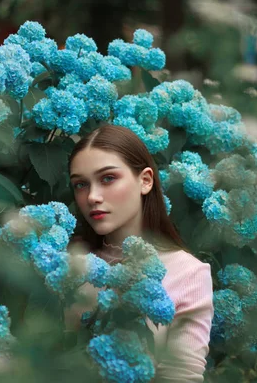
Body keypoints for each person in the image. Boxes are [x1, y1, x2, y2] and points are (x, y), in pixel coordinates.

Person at [66, 124, 214, 382]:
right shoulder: (68, 261)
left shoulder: (188, 273)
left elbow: (182, 376)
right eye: (80, 184)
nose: (92, 196)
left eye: (108, 178)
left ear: (145, 181)